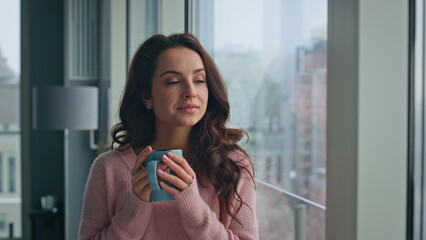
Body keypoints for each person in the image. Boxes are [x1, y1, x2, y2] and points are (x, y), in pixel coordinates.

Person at [78, 33, 259, 240]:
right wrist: (137, 204)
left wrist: (191, 202)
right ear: (147, 97)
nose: (191, 91)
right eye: (173, 81)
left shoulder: (233, 164)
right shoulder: (108, 168)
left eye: (199, 80)